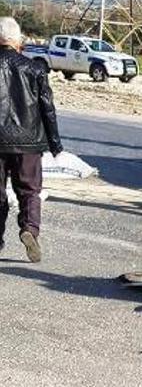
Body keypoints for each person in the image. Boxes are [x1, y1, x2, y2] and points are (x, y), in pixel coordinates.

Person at [0, 17, 63, 263]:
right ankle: (30, 229)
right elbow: (47, 108)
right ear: (18, 42)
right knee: (29, 191)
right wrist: (55, 143)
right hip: (28, 142)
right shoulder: (35, 68)